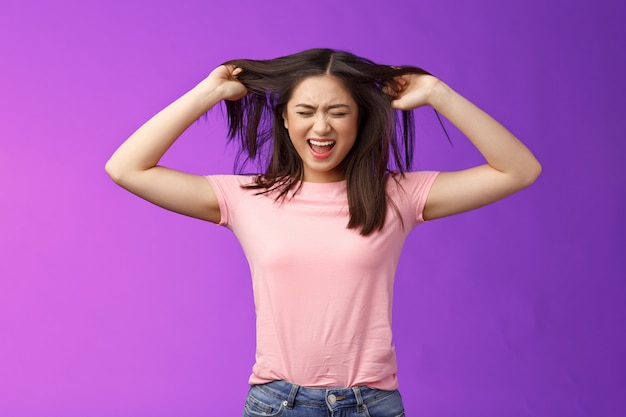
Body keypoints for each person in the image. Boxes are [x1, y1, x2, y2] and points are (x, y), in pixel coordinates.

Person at [105, 48, 541, 416]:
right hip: (278, 403)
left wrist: (438, 94)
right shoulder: (244, 197)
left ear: (359, 120)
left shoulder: (399, 195)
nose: (321, 127)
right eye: (306, 112)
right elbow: (126, 168)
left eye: (337, 112)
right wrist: (210, 92)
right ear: (284, 120)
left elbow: (519, 170)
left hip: (372, 404)